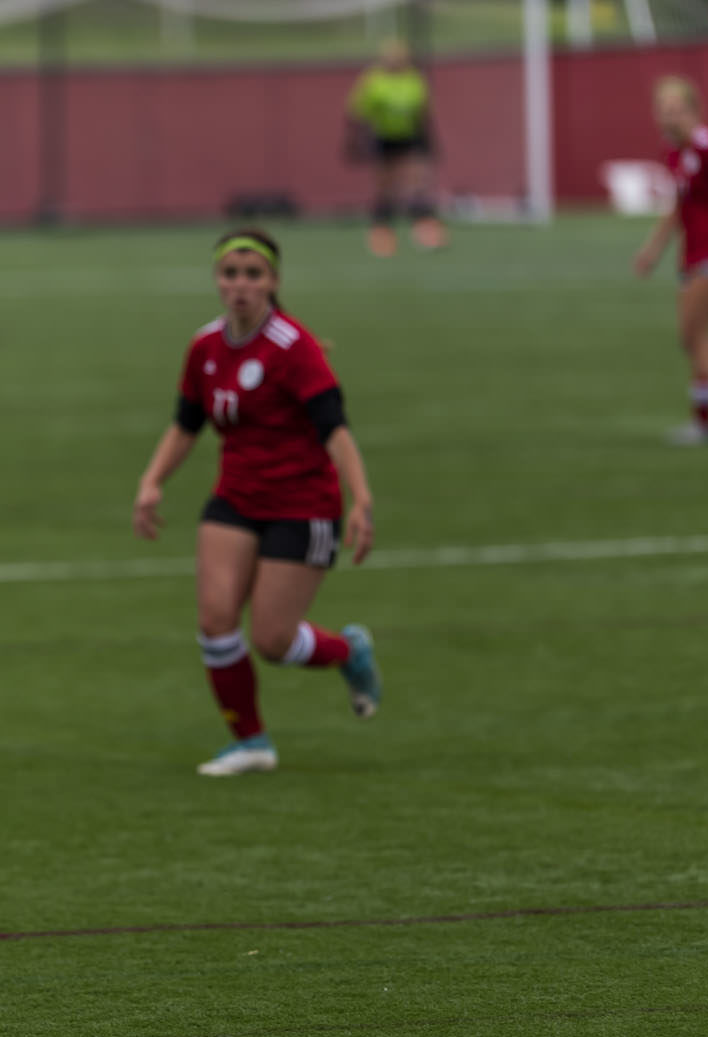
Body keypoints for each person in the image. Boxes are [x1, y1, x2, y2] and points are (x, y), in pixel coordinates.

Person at [132, 228, 382, 777]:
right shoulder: (205, 347)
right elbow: (186, 426)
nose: (240, 285)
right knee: (216, 619)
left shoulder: (296, 348)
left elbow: (335, 431)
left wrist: (360, 500)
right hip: (236, 500)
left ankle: (348, 653)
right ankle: (251, 742)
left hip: (303, 504)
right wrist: (152, 481)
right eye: (230, 274)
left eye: (253, 275)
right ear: (217, 281)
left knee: (272, 639)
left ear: (273, 282)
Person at [634, 77, 708, 446]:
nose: (669, 115)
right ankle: (701, 423)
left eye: (677, 108)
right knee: (691, 339)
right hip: (693, 252)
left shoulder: (706, 146)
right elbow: (678, 207)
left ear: (694, 109)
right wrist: (654, 248)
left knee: (694, 336)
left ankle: (702, 425)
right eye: (664, 108)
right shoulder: (676, 152)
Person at [346, 40, 446, 257]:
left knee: (419, 183)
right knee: (386, 189)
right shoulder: (374, 81)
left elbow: (422, 113)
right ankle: (382, 236)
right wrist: (355, 141)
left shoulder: (414, 80)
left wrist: (430, 142)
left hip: (410, 138)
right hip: (384, 139)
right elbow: (358, 113)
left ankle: (426, 232)